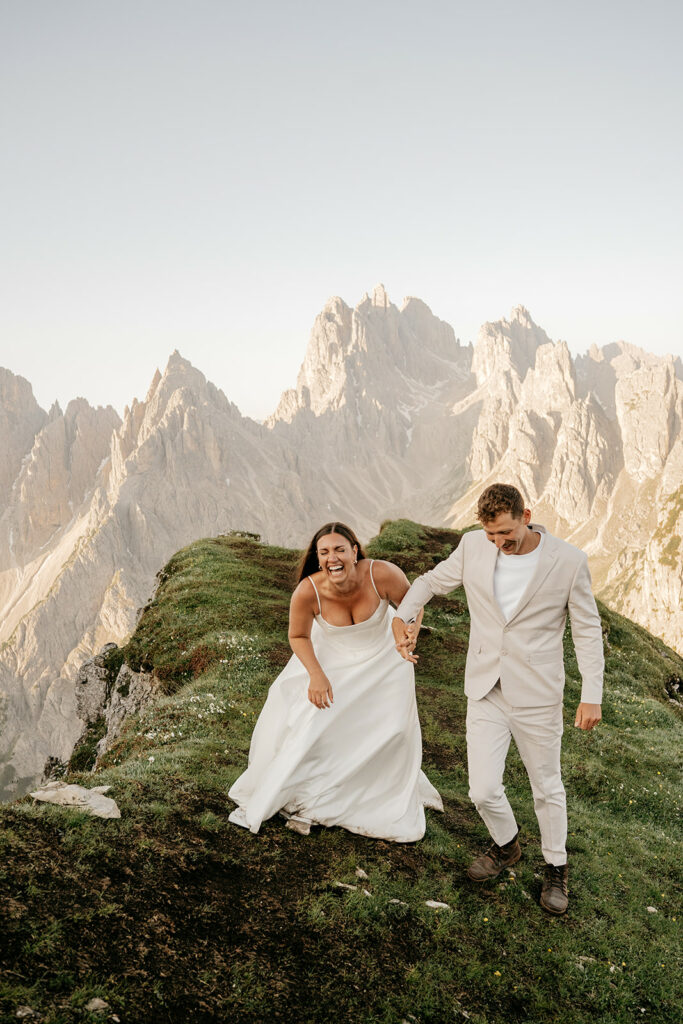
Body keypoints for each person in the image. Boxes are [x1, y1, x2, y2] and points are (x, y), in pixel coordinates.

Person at [392, 484, 604, 914]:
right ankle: (507, 846)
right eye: (491, 536)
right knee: (482, 789)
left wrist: (591, 694)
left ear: (526, 515)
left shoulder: (568, 561)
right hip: (485, 688)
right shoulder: (473, 546)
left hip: (538, 694)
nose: (499, 544)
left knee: (547, 787)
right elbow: (431, 582)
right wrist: (402, 616)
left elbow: (585, 629)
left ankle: (556, 868)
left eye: (506, 534)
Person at [228, 522, 442, 841]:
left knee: (394, 728)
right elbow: (298, 635)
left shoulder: (382, 573)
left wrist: (406, 635)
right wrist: (316, 674)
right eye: (324, 552)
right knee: (312, 722)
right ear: (317, 558)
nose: (333, 558)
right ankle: (315, 783)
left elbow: (412, 606)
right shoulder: (308, 591)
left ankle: (376, 786)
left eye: (340, 549)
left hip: (385, 658)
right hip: (331, 661)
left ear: (354, 551)